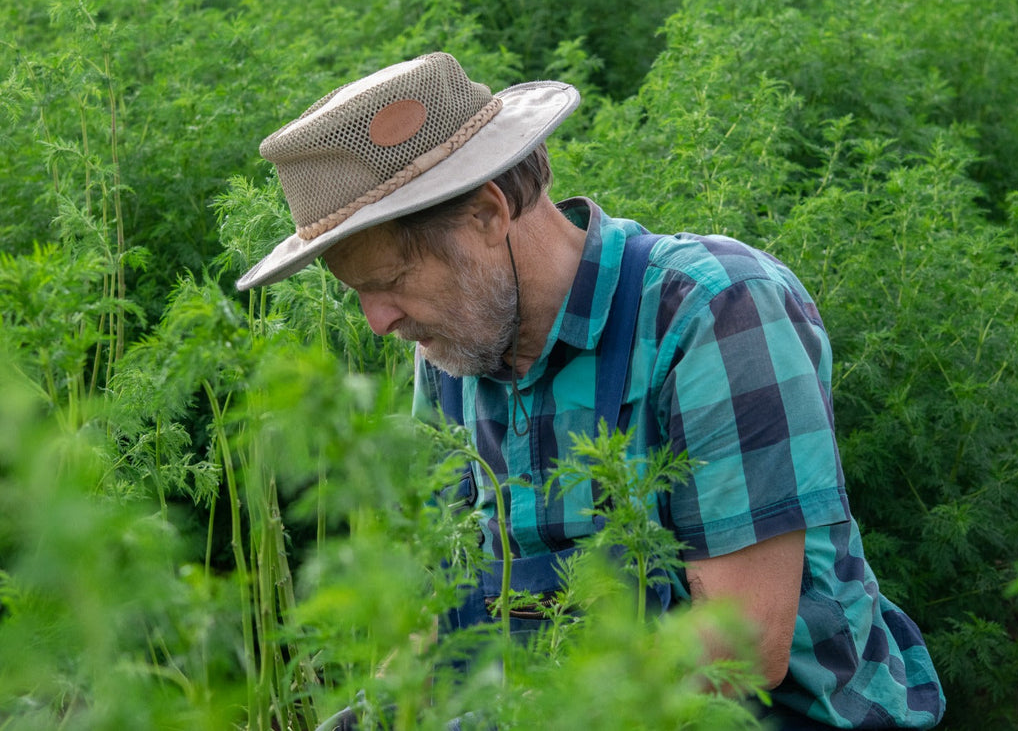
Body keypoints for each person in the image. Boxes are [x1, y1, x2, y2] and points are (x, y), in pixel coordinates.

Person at [237, 52, 946, 729]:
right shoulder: (452, 355)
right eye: (359, 293)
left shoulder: (710, 312)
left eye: (389, 281)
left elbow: (743, 643)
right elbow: (443, 607)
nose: (377, 321)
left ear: (488, 214)